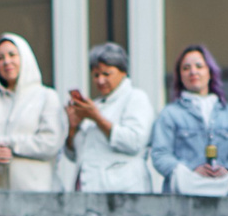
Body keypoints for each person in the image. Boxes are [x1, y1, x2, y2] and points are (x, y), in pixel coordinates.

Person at [0, 33, 65, 191]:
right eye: (0, 58)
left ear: (25, 57)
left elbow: (50, 142)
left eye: (12, 55)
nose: (6, 62)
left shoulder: (46, 97)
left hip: (35, 192)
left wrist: (8, 143)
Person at [151, 44, 228, 198]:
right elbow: (160, 154)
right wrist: (190, 170)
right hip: (182, 200)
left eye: (199, 66)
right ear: (179, 75)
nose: (193, 72)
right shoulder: (169, 114)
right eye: (186, 68)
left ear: (210, 72)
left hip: (226, 198)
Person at [60, 42, 157, 193]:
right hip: (90, 193)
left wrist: (97, 118)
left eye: (106, 74)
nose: (100, 80)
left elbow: (134, 142)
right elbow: (74, 156)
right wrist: (73, 127)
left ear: (123, 72)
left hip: (125, 192)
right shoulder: (95, 105)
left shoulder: (136, 98)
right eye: (96, 75)